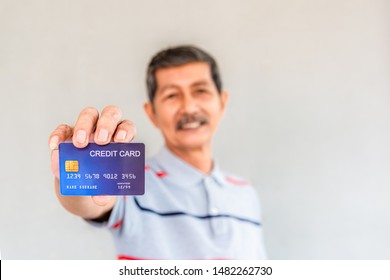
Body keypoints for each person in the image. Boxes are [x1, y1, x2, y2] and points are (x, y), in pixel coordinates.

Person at [48, 45, 267, 259]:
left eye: (200, 90)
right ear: (152, 113)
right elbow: (89, 202)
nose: (189, 108)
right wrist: (80, 166)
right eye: (172, 95)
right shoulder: (132, 180)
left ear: (222, 102)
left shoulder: (246, 194)